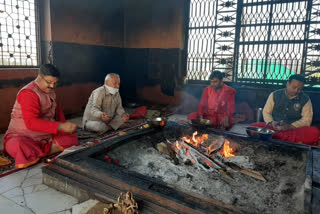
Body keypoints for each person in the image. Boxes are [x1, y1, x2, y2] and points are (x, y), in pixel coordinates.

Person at [3, 64, 78, 168]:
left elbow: (57, 111)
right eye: (49, 82)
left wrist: (64, 126)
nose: (52, 86)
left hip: (45, 135)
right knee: (19, 145)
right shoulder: (29, 93)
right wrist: (59, 126)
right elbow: (31, 123)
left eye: (55, 83)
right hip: (23, 135)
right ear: (39, 76)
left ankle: (36, 153)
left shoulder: (50, 91)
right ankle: (40, 151)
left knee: (72, 138)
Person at [250, 74, 320, 145]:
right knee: (253, 126)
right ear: (287, 84)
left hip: (294, 130)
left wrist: (290, 126)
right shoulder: (275, 95)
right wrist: (272, 122)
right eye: (294, 87)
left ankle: (276, 137)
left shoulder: (306, 99)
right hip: (274, 128)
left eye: (300, 89)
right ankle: (291, 140)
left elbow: (307, 120)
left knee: (314, 132)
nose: (296, 91)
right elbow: (266, 112)